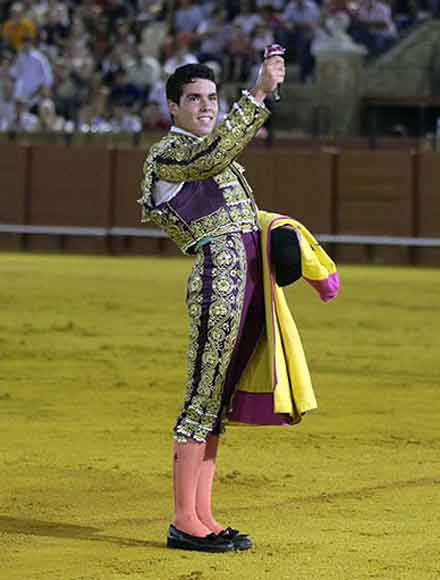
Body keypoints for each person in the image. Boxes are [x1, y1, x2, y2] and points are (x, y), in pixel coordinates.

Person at [138, 57, 285, 553]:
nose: (206, 106)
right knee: (201, 397)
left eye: (212, 98)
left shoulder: (210, 153)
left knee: (216, 403)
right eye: (195, 98)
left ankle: (202, 515)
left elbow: (243, 206)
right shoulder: (168, 156)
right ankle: (183, 520)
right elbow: (215, 156)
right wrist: (259, 93)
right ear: (173, 106)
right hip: (216, 279)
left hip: (243, 277)